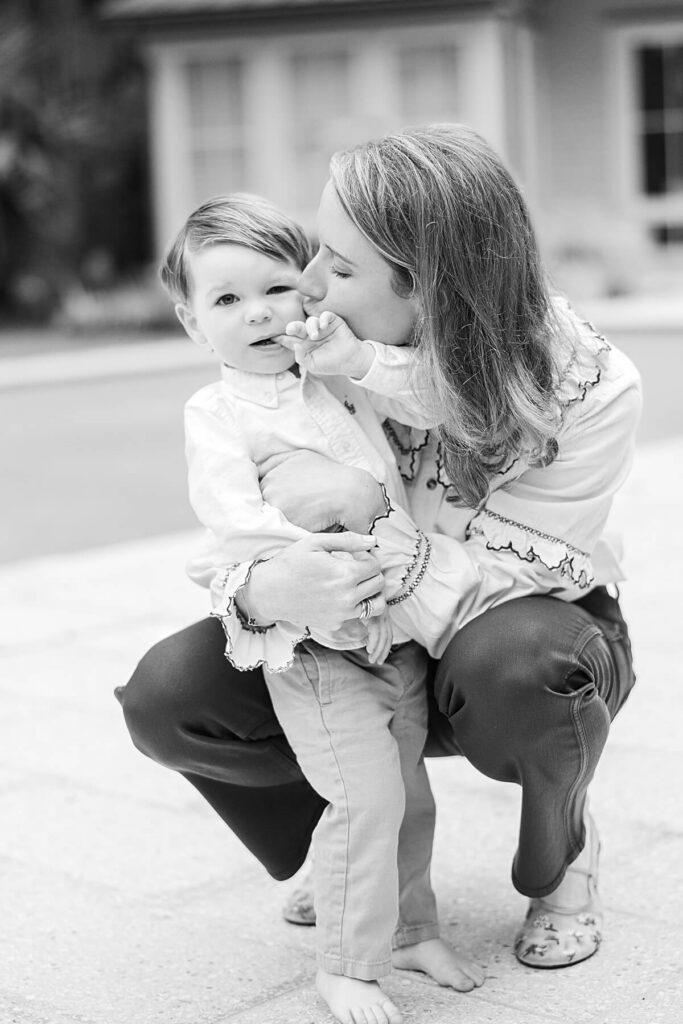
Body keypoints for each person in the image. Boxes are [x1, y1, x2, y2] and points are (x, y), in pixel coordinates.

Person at [117, 124, 641, 993]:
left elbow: (518, 568)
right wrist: (265, 587)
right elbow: (249, 491)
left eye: (342, 267)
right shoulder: (314, 350)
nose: (308, 286)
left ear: (432, 289)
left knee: (522, 668)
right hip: (354, 625)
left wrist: (357, 516)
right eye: (317, 251)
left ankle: (563, 856)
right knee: (168, 695)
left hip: (509, 621)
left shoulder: (590, 386)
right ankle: (351, 853)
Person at [157, 192, 484, 1024]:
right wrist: (315, 559)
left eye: (274, 287)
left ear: (308, 288)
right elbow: (234, 522)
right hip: (315, 640)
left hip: (397, 626)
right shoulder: (218, 413)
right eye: (225, 301)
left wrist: (349, 358)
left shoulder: (338, 376)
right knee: (365, 798)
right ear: (194, 325)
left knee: (409, 793)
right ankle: (345, 964)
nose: (258, 313)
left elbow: (421, 423)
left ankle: (412, 925)